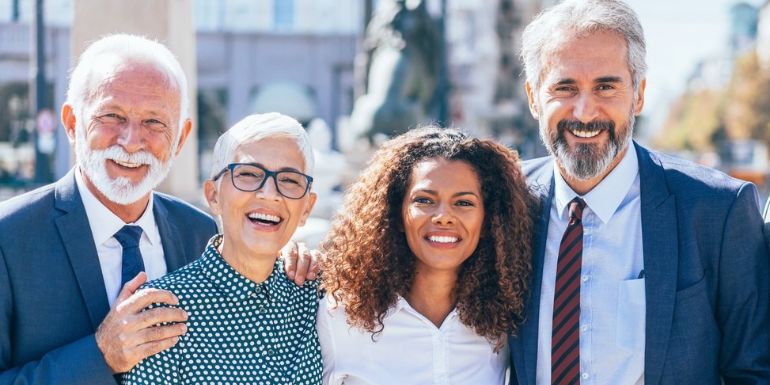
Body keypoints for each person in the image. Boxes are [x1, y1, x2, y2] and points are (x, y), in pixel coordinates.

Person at [511, 1, 770, 384]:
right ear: (534, 97)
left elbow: (753, 369)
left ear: (639, 94)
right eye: (565, 87)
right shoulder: (502, 200)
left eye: (606, 86)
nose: (584, 112)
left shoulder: (717, 211)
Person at [0, 34, 218, 385]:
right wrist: (99, 355)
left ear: (180, 139)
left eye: (154, 122)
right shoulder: (8, 239)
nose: (131, 142)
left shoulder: (202, 236)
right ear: (72, 123)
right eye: (112, 116)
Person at [316, 127, 534, 384]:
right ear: (396, 215)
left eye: (464, 203)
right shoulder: (339, 317)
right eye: (425, 200)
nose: (443, 216)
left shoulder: (500, 324)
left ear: (488, 222)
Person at [122, 113, 322, 384]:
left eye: (289, 180)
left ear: (306, 208)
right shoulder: (162, 312)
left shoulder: (318, 296)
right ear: (213, 196)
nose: (269, 193)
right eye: (249, 174)